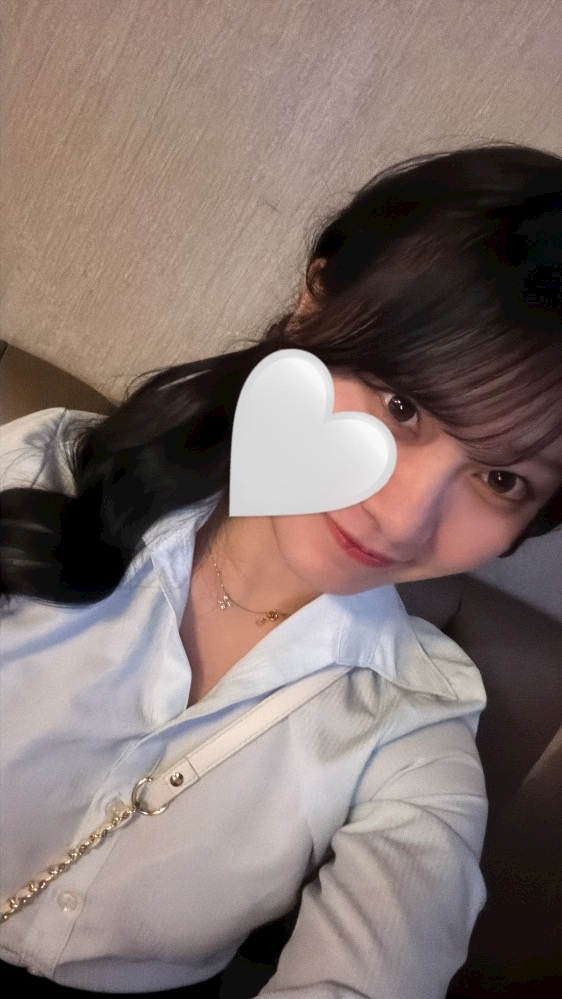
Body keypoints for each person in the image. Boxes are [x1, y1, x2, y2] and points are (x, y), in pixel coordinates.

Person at [0, 142, 561, 998]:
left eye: (502, 479)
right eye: (403, 405)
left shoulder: (412, 725)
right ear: (312, 306)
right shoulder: (42, 472)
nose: (405, 516)